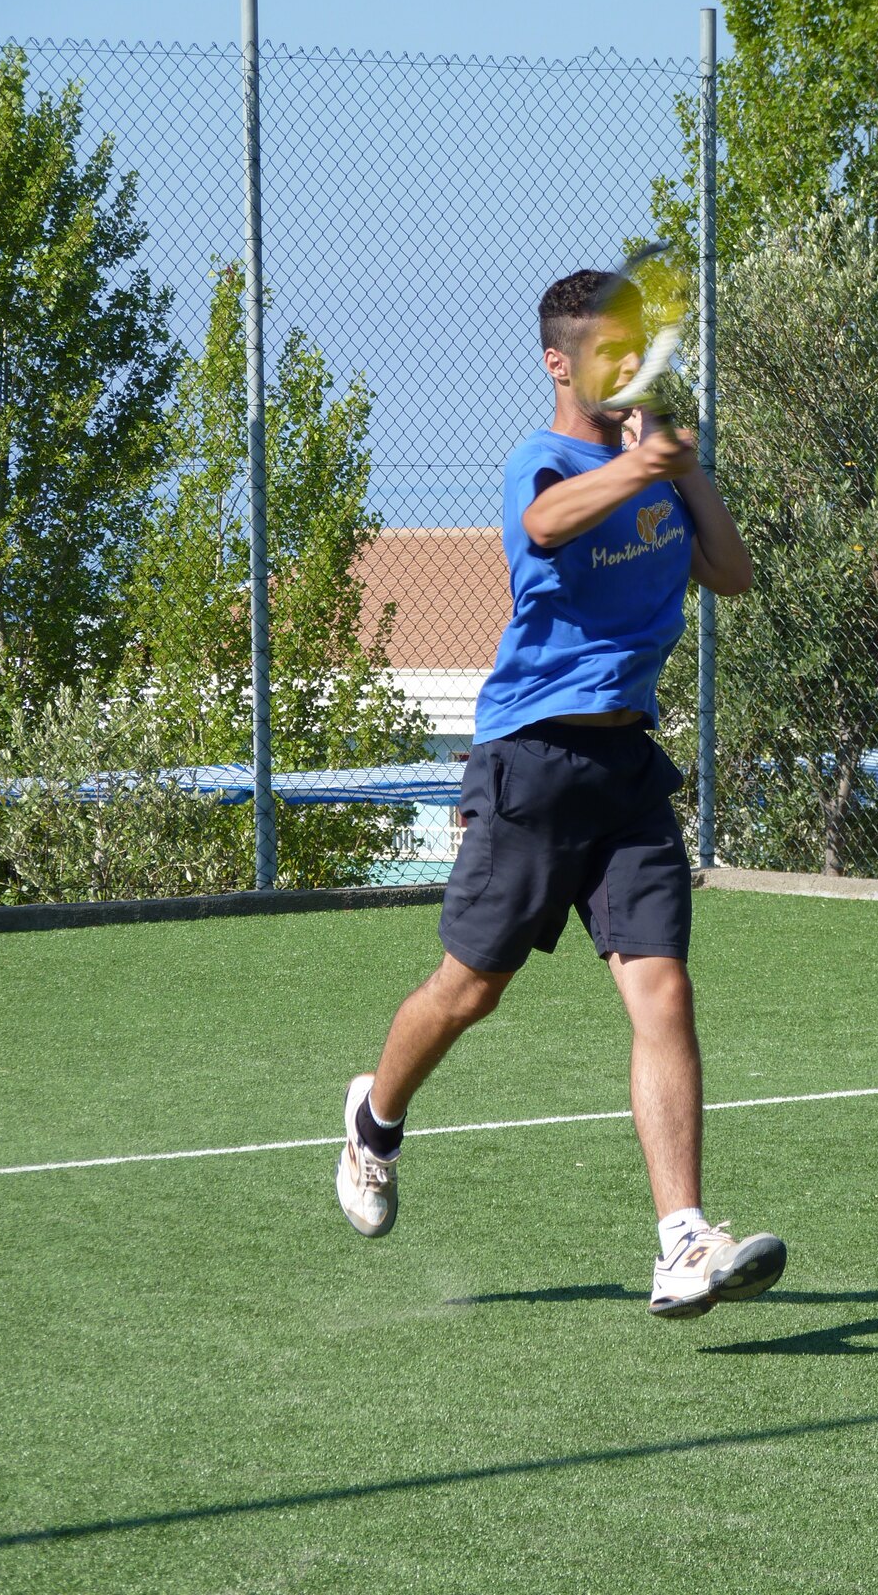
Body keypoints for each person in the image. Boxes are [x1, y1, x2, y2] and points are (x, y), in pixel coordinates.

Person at [336, 266, 786, 1318]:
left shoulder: (654, 462)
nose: (626, 365)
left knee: (663, 990)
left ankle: (682, 1241)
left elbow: (731, 574)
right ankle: (374, 1121)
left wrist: (684, 470)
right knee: (471, 990)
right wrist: (640, 467)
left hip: (628, 771)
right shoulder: (540, 464)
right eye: (605, 351)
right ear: (557, 362)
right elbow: (544, 527)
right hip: (532, 764)